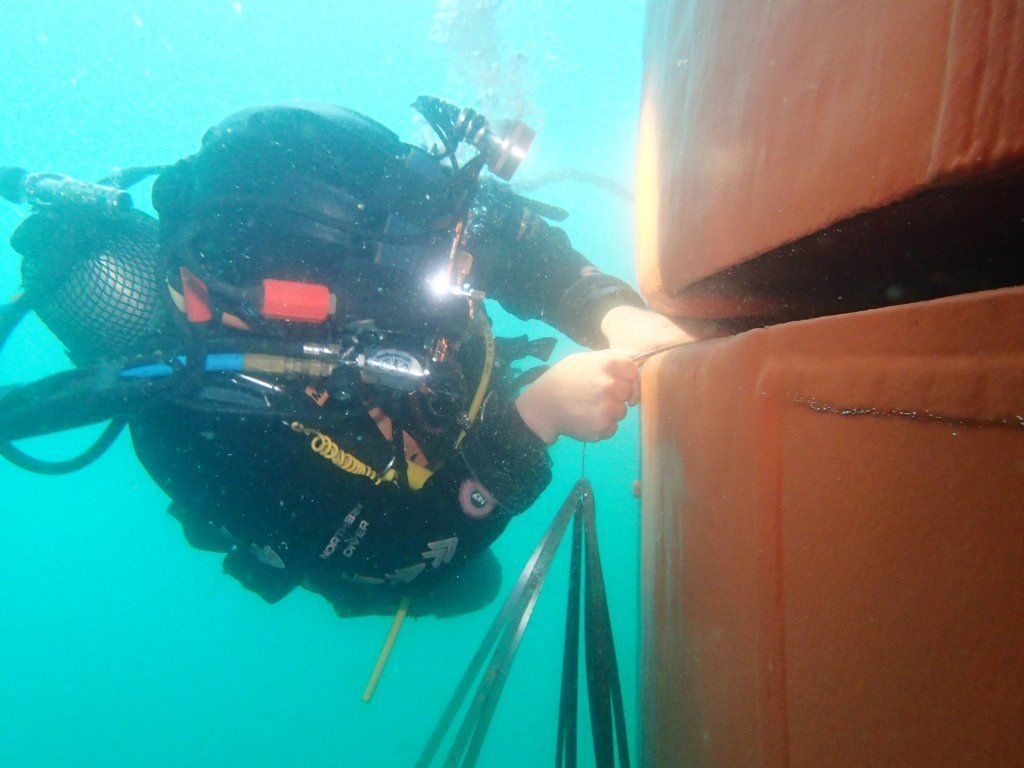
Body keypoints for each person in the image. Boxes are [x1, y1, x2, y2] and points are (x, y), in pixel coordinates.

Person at [0, 99, 689, 616]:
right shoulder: (194, 439)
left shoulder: (384, 215)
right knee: (469, 591)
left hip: (450, 403)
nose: (444, 266)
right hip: (389, 524)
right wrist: (532, 421)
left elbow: (510, 240)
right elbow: (387, 556)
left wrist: (611, 312)